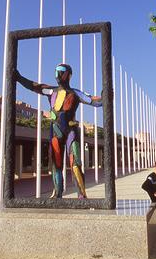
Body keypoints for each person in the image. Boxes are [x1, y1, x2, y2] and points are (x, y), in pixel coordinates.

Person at [15, 63, 102, 199]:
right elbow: (34, 86)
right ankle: (57, 193)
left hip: (71, 131)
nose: (57, 75)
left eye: (61, 71)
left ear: (69, 75)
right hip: (55, 131)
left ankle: (81, 195)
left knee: (75, 163)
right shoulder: (51, 91)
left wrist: (105, 96)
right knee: (56, 164)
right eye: (56, 71)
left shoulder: (75, 93)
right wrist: (19, 78)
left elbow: (94, 101)